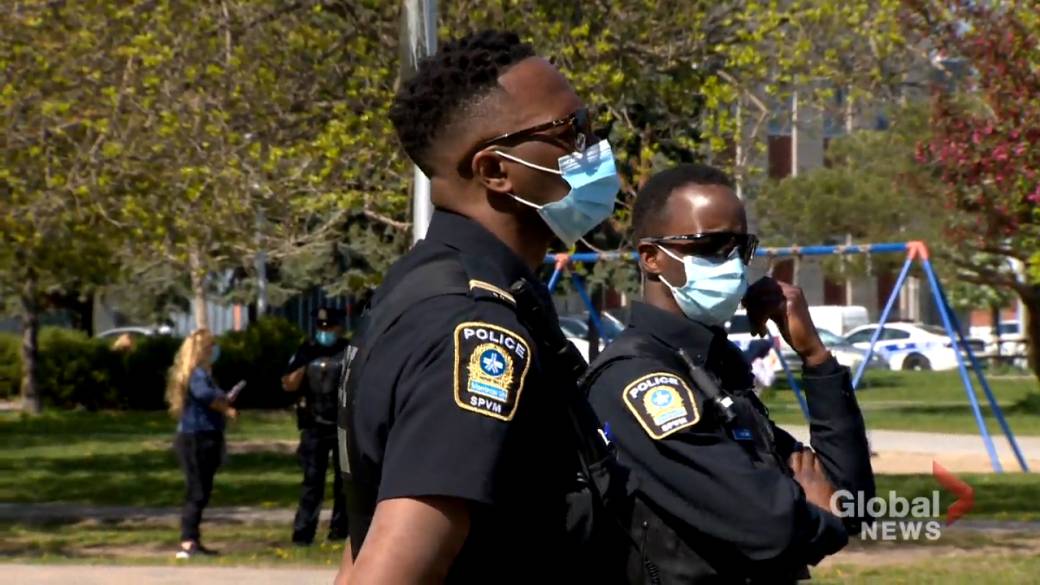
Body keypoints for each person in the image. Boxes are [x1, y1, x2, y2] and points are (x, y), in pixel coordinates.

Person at [335, 30, 625, 584]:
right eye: (570, 132)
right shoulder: (471, 329)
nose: (593, 149)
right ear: (495, 170)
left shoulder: (424, 288)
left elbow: (365, 541)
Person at [582, 164, 875, 583]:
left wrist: (816, 358)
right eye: (712, 245)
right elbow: (768, 527)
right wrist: (822, 518)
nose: (733, 263)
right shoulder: (639, 380)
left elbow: (854, 502)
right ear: (652, 258)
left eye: (742, 247)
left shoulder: (715, 371)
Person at [165, 328, 237, 560]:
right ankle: (187, 543)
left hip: (206, 435)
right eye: (210, 346)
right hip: (197, 437)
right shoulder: (196, 375)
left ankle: (193, 539)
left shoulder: (202, 373)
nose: (214, 350)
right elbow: (206, 396)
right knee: (196, 491)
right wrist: (225, 407)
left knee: (202, 490)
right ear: (201, 350)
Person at [282, 306, 351, 545]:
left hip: (342, 425)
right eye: (321, 327)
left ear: (339, 327)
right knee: (312, 482)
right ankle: (303, 534)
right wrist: (302, 366)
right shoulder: (306, 350)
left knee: (344, 483)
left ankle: (340, 531)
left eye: (329, 327)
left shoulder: (348, 351)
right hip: (313, 424)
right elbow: (287, 384)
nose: (325, 331)